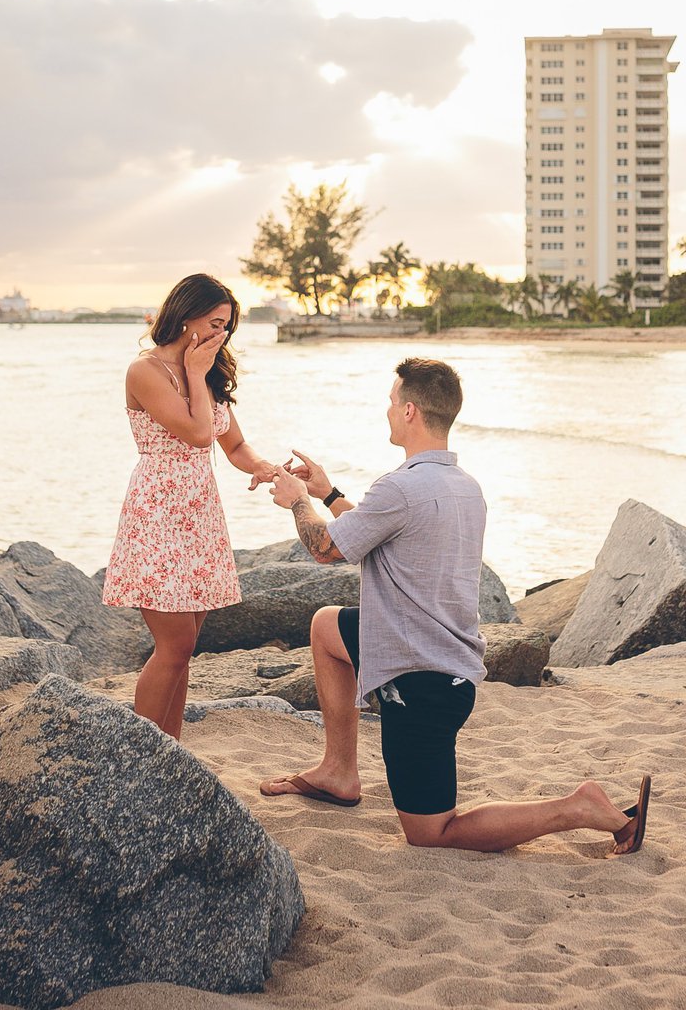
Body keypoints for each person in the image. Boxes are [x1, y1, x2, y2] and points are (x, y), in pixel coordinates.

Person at [259, 357, 651, 857]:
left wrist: (297, 500)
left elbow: (325, 548)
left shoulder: (400, 486)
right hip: (445, 662)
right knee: (327, 628)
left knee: (432, 833)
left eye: (390, 400)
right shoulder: (464, 487)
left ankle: (579, 806)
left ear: (408, 411)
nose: (386, 409)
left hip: (421, 686)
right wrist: (329, 493)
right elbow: (376, 531)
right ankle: (338, 772)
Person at [102, 273, 277, 740]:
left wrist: (265, 468)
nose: (222, 335)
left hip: (199, 516)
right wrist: (197, 374)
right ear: (185, 316)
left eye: (227, 328)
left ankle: (170, 750)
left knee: (186, 647)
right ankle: (140, 753)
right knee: (174, 645)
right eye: (216, 323)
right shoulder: (145, 371)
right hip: (157, 514)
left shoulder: (211, 372)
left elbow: (234, 445)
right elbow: (198, 434)